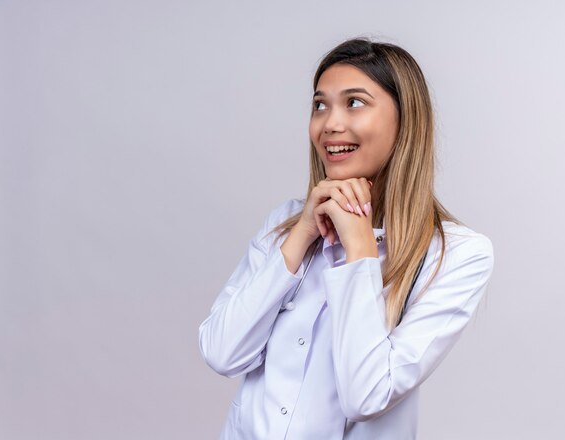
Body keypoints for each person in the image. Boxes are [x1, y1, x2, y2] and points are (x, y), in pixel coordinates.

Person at [199, 37, 494, 439]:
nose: (330, 123)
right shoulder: (285, 223)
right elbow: (221, 352)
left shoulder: (456, 254)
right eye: (320, 105)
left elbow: (366, 396)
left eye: (354, 102)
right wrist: (301, 234)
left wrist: (360, 250)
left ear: (406, 120)